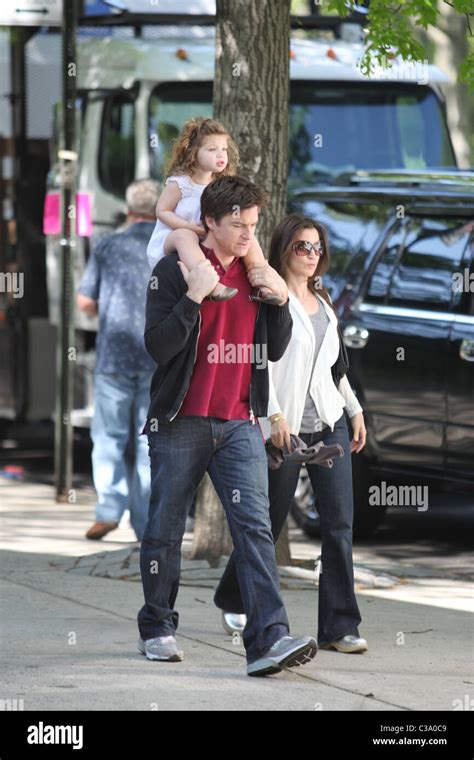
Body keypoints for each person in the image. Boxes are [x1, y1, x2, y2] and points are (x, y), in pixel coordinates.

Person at [137, 176, 317, 677]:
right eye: (237, 224)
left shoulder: (256, 276)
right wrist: (193, 300)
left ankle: (267, 641)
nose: (246, 234)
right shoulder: (174, 271)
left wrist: (279, 303)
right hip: (181, 421)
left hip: (240, 421)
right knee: (165, 529)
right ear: (210, 222)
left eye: (253, 226)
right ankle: (156, 626)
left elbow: (274, 350)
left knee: (256, 530)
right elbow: (158, 347)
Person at [214, 212, 369, 654]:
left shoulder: (323, 298)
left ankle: (340, 626)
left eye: (318, 247)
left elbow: (335, 366)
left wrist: (354, 410)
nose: (311, 255)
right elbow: (257, 364)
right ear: (284, 249)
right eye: (303, 246)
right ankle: (234, 595)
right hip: (282, 427)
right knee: (271, 519)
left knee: (339, 524)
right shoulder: (269, 298)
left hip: (329, 422)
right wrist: (273, 417)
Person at [77, 179, 159, 542]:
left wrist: (109, 311)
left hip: (114, 358)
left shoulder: (107, 245)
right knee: (148, 443)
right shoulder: (167, 248)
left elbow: (85, 302)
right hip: (157, 360)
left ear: (128, 210)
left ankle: (109, 510)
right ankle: (145, 525)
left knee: (109, 437)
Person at [146, 117, 283, 304]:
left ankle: (262, 284)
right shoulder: (181, 183)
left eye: (224, 149)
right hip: (173, 234)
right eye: (212, 150)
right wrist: (187, 226)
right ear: (193, 153)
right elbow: (162, 211)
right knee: (185, 236)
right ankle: (212, 284)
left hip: (206, 235)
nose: (221, 155)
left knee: (249, 237)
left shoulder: (219, 184)